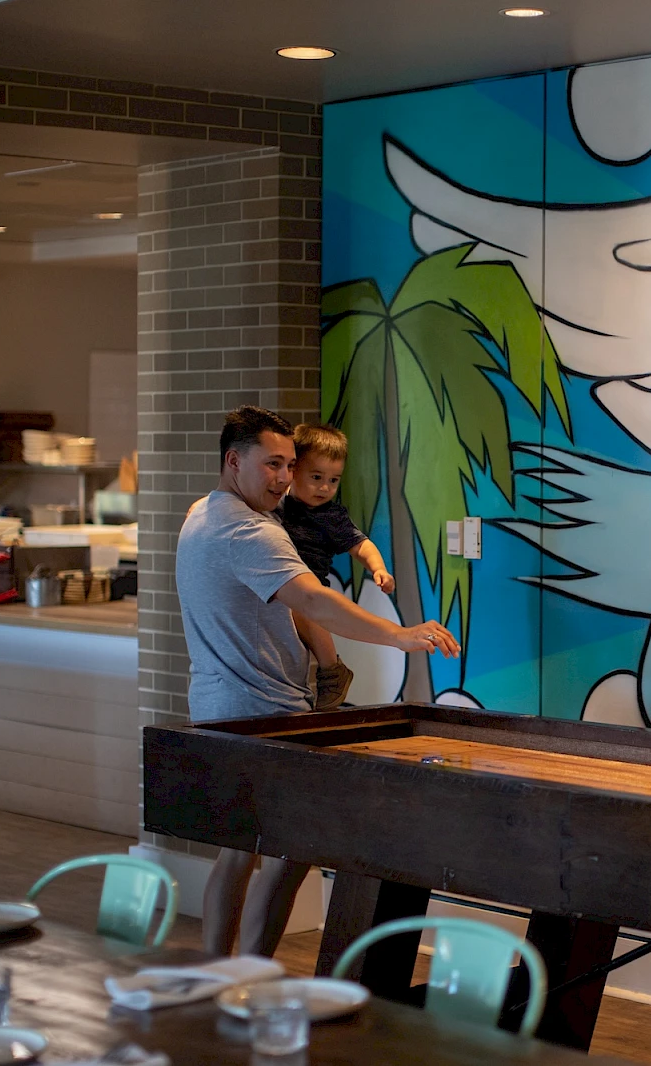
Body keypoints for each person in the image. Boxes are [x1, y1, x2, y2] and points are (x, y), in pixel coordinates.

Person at [177, 405, 460, 957]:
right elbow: (314, 599)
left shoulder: (200, 513)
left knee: (242, 850)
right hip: (263, 710)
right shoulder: (250, 531)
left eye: (289, 465)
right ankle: (248, 971)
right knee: (292, 849)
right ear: (234, 461)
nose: (284, 478)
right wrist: (401, 635)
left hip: (218, 701)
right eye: (272, 465)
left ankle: (222, 973)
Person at [276, 423, 394, 709]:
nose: (325, 487)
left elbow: (361, 544)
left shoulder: (332, 516)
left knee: (307, 611)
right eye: (316, 477)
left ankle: (332, 669)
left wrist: (378, 568)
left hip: (309, 586)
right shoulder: (276, 502)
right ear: (293, 470)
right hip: (279, 583)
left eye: (334, 480)